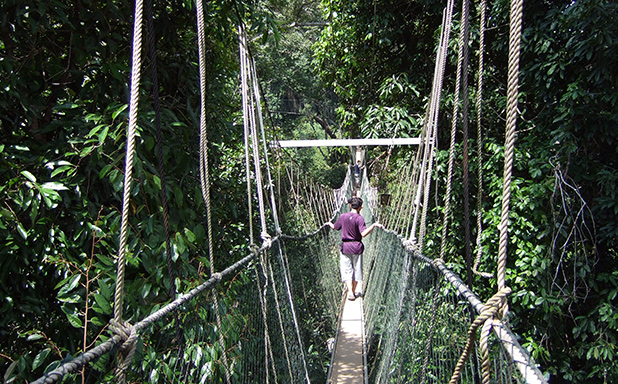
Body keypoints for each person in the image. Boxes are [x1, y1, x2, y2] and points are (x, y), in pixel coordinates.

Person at [325, 197, 383, 301]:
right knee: (357, 270)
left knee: (347, 271)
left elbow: (335, 227)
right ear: (361, 207)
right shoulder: (359, 218)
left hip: (345, 248)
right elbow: (364, 234)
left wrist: (330, 224)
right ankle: (354, 291)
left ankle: (350, 292)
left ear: (350, 206)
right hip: (357, 247)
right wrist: (373, 225)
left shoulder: (343, 216)